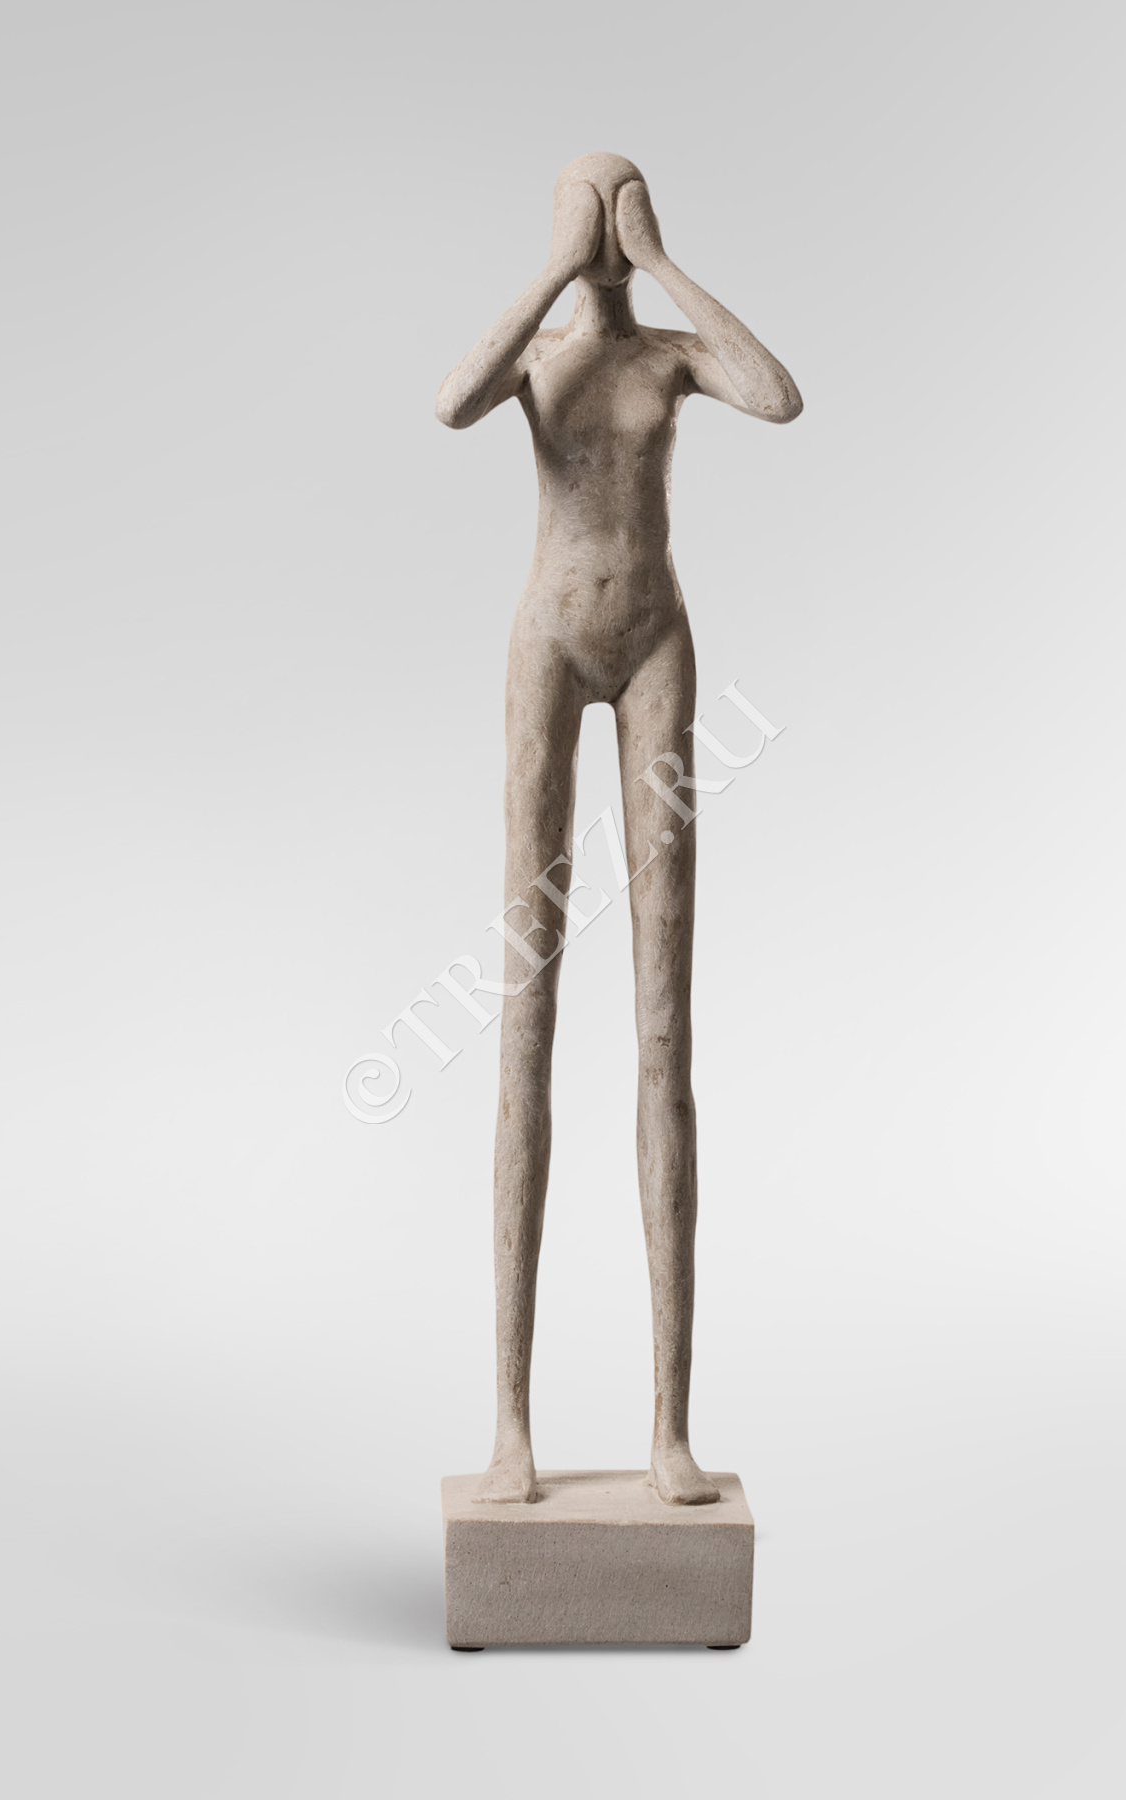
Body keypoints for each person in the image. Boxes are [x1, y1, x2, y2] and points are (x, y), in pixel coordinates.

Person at [437, 152, 802, 1504]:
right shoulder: (538, 359)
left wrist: (654, 259)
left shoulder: (667, 359)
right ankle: (510, 1427)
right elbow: (449, 402)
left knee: (662, 1032)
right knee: (524, 1018)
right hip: (549, 643)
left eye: (617, 200)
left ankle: (669, 1430)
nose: (599, 222)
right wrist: (553, 265)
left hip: (653, 644)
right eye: (585, 203)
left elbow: (779, 393)